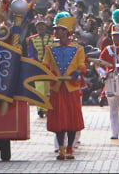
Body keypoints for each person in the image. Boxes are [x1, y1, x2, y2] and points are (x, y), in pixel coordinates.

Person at [40, 12, 85, 160]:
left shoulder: (78, 49)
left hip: (71, 87)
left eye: (58, 29)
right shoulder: (50, 48)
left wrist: (77, 72)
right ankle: (61, 149)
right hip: (57, 88)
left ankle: (70, 148)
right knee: (59, 119)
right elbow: (45, 65)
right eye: (55, 29)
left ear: (66, 31)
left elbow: (81, 66)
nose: (56, 32)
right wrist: (49, 73)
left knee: (72, 120)